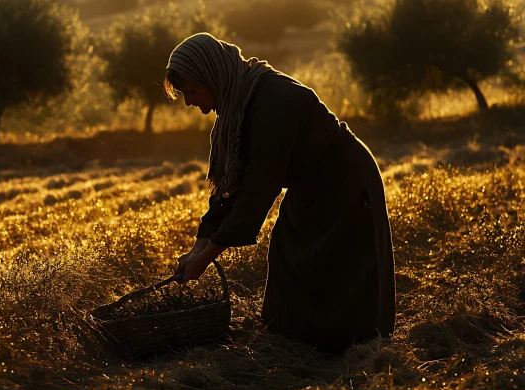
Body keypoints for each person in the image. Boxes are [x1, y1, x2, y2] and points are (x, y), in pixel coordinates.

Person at [167, 33, 396, 353]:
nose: (190, 102)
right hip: (309, 181)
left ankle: (353, 347)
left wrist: (205, 258)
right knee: (289, 252)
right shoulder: (237, 106)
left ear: (211, 76)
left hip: (346, 181)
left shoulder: (271, 102)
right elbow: (229, 189)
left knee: (342, 263)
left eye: (191, 91)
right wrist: (197, 247)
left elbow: (256, 191)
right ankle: (301, 341)